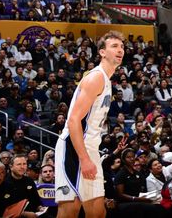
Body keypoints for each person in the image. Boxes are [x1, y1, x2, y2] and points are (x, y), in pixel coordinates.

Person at [55, 31, 124, 218]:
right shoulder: (96, 78)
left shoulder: (107, 82)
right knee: (69, 211)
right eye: (114, 46)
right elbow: (74, 120)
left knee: (97, 212)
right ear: (102, 52)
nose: (120, 50)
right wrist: (84, 158)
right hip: (75, 148)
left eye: (122, 47)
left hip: (90, 149)